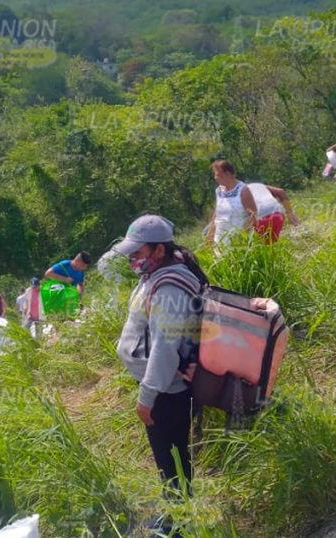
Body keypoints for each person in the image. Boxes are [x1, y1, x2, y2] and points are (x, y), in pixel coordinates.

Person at [109, 215, 207, 535]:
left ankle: (178, 524)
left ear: (159, 250)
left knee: (172, 460)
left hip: (167, 390)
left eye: (138, 252)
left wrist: (147, 396)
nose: (132, 258)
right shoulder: (157, 274)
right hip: (162, 386)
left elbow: (165, 349)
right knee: (169, 459)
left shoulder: (170, 287)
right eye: (131, 252)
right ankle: (174, 513)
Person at [204, 160, 298, 245]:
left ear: (228, 174)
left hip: (267, 217)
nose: (215, 178)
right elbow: (281, 192)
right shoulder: (252, 187)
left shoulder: (244, 191)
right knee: (267, 245)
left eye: (217, 175)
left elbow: (252, 216)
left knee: (262, 245)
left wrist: (240, 237)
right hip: (274, 215)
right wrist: (290, 213)